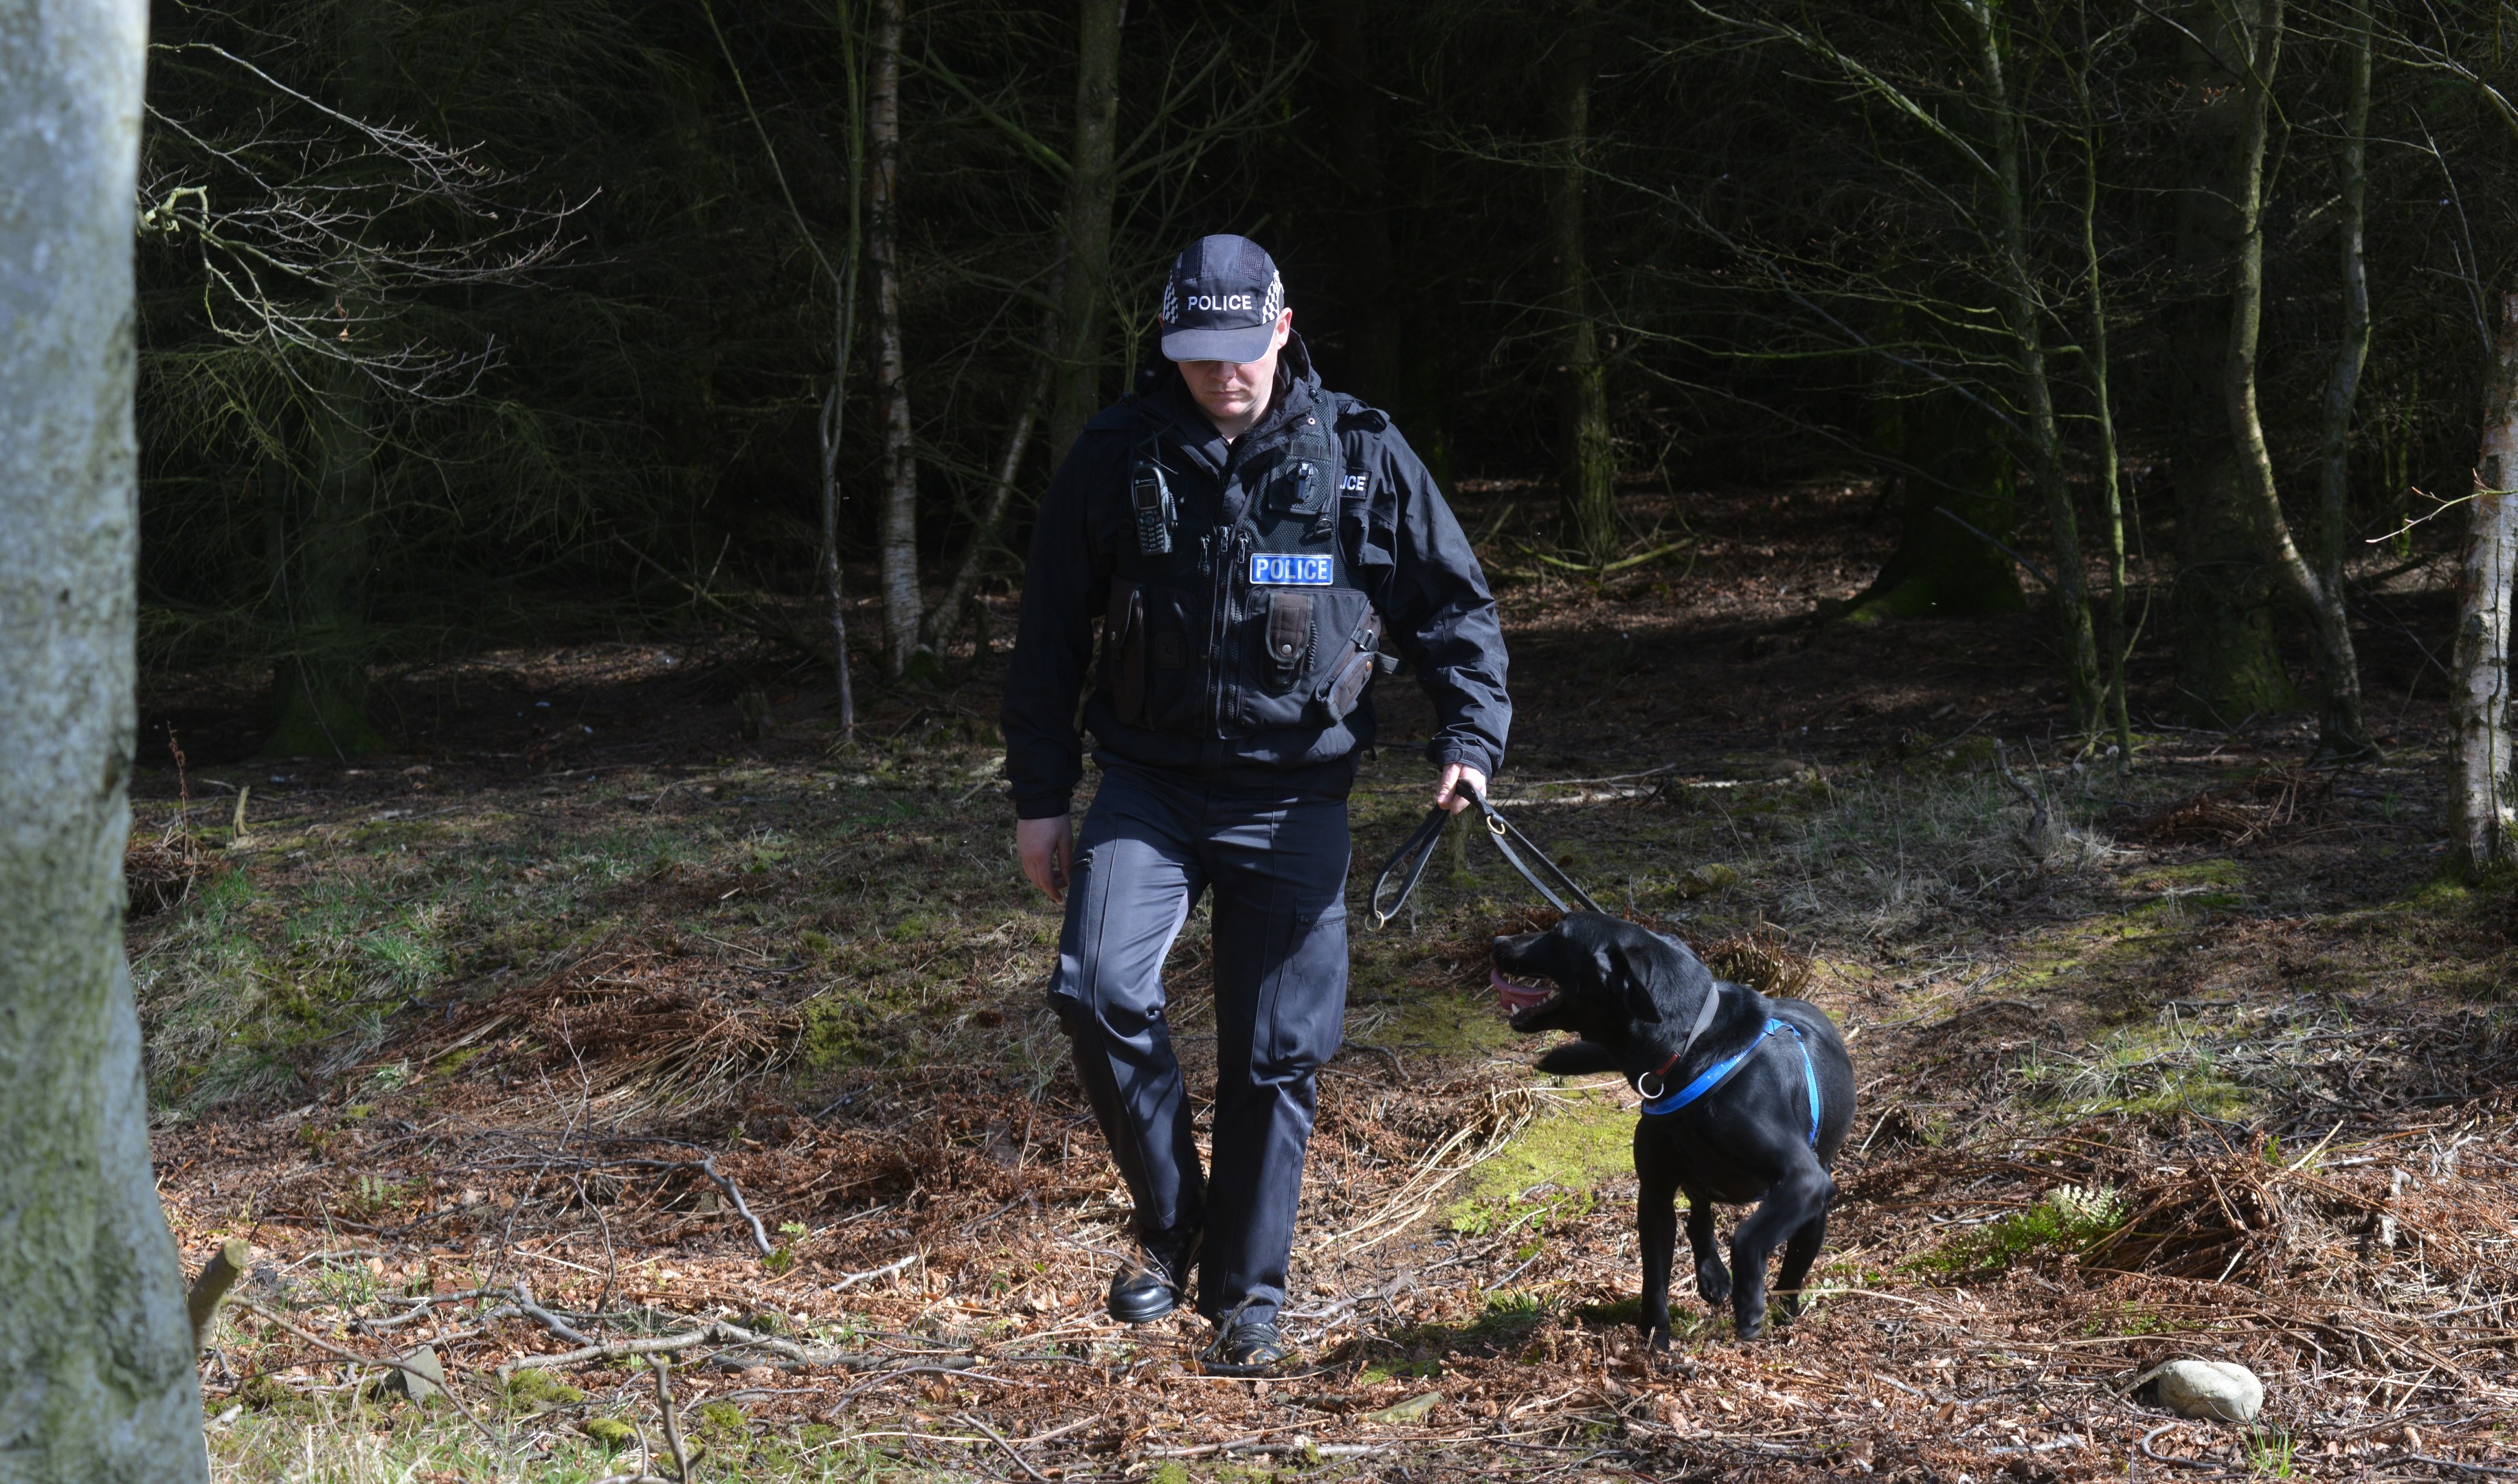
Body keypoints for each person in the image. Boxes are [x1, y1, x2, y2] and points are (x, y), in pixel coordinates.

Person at [1000, 234, 1511, 1371]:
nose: (1222, 374)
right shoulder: (1112, 455)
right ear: (1169, 346)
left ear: (1282, 327)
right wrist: (1042, 799)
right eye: (1197, 354)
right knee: (1094, 989)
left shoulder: (1361, 457)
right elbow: (1045, 639)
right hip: (1145, 783)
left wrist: (1471, 738)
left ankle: (1248, 1294)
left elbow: (1452, 607)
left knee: (1276, 1051)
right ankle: (1173, 1219)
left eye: (1241, 350)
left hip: (1295, 796)